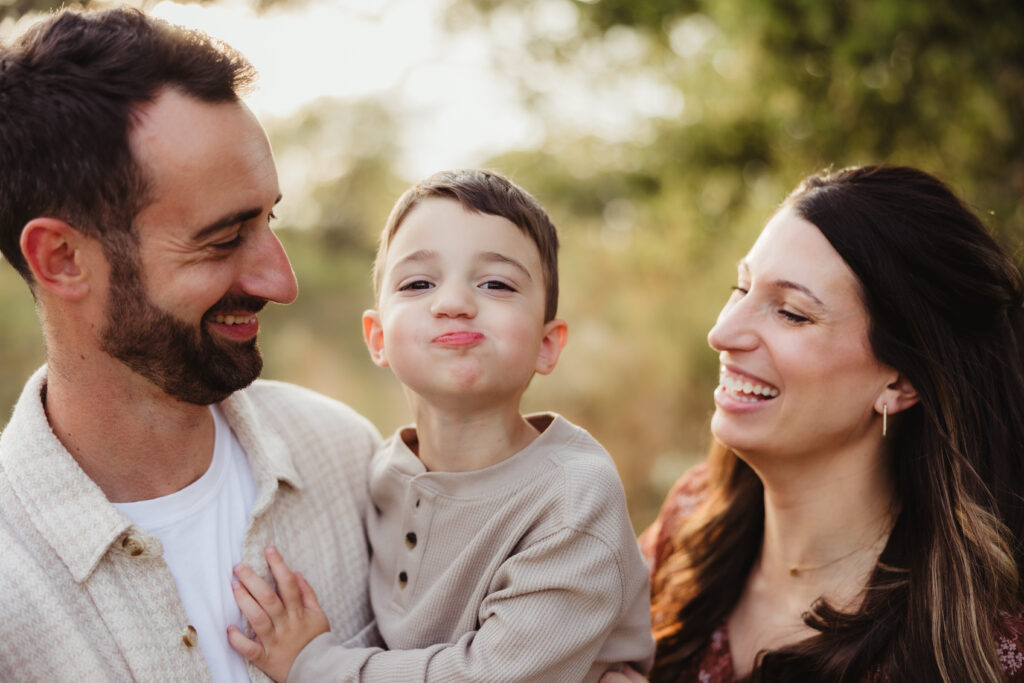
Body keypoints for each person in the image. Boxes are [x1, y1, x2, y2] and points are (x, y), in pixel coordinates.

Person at [0, 8, 379, 681]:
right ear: (61, 258)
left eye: (270, 220)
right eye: (224, 238)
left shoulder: (349, 459)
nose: (281, 281)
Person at [226, 169, 656, 681]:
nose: (453, 303)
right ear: (378, 338)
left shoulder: (572, 498)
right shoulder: (381, 471)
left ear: (547, 344)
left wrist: (312, 665)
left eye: (496, 283)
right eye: (419, 283)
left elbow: (490, 674)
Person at [637, 165, 1024, 682]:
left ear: (900, 383)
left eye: (792, 313)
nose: (722, 332)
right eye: (742, 287)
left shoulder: (976, 653)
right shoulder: (690, 521)